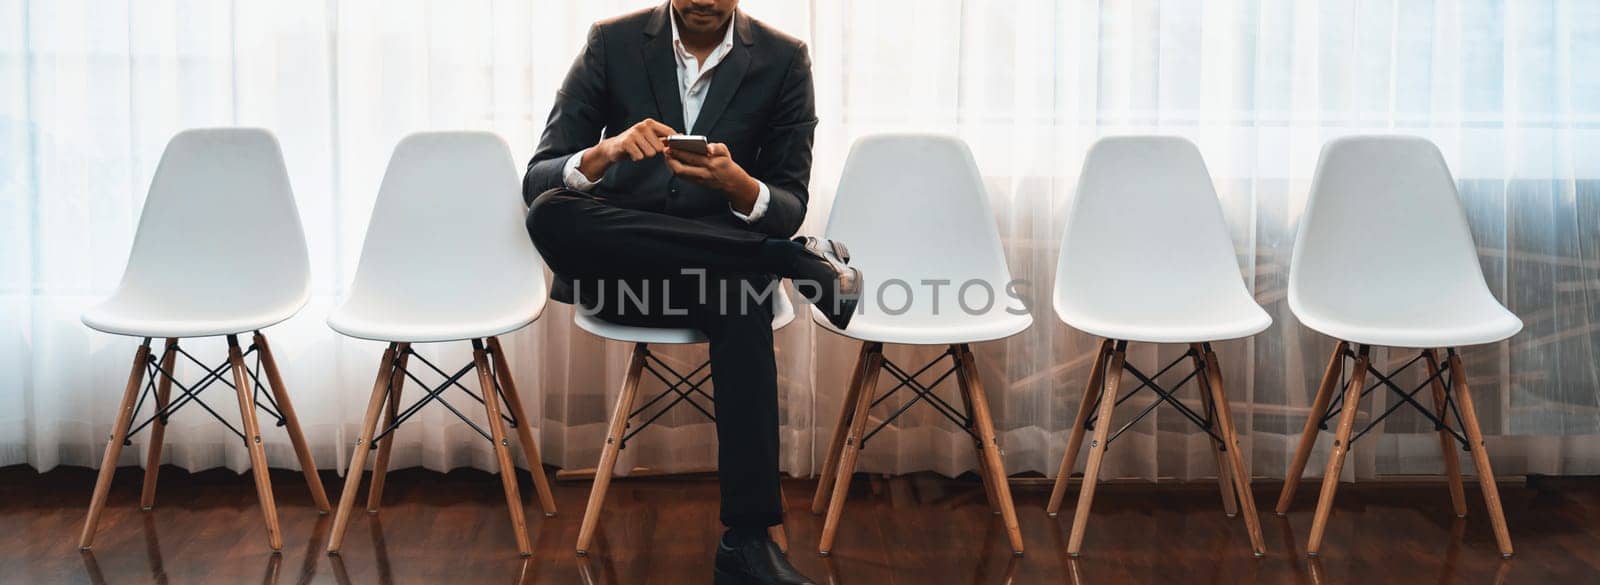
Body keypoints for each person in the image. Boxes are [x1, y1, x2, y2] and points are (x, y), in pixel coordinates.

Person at [523, 1, 858, 583]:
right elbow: (539, 175)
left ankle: (747, 545)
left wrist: (741, 186)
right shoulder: (611, 43)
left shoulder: (784, 59)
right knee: (551, 212)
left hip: (716, 274)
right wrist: (605, 152)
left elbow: (787, 201)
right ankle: (789, 259)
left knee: (742, 302)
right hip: (624, 268)